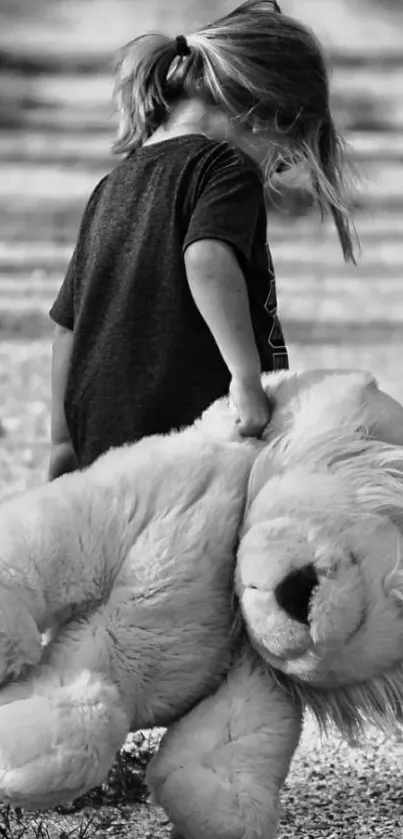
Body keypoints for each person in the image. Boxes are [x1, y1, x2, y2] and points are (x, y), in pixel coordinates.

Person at [48, 0, 356, 480]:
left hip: (102, 445)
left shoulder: (112, 185)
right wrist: (246, 378)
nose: (275, 171)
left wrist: (63, 441)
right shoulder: (226, 168)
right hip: (189, 437)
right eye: (283, 159)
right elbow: (207, 258)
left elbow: (68, 326)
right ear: (262, 114)